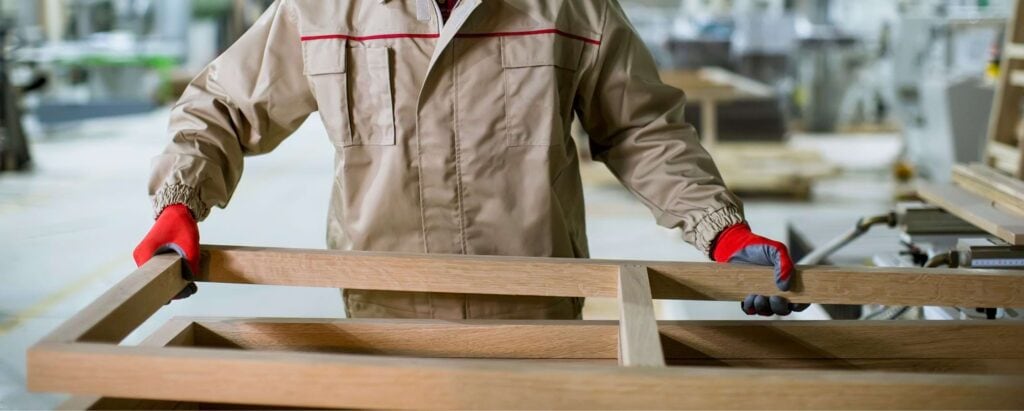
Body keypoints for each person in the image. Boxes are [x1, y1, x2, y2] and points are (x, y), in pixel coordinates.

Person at [134, 0, 805, 319]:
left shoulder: (568, 5)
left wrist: (722, 228)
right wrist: (179, 202)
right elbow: (220, 105)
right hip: (386, 322)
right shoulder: (325, 8)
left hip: (540, 325)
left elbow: (642, 128)